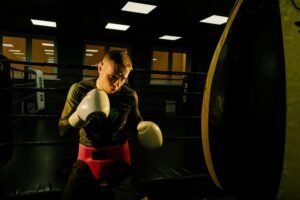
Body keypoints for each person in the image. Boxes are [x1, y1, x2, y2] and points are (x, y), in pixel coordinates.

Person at [58, 49, 163, 200]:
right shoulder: (80, 90)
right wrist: (79, 116)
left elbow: (137, 122)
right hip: (87, 161)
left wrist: (144, 127)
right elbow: (62, 130)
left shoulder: (129, 95)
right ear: (100, 68)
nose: (117, 83)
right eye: (112, 76)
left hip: (119, 160)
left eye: (123, 78)